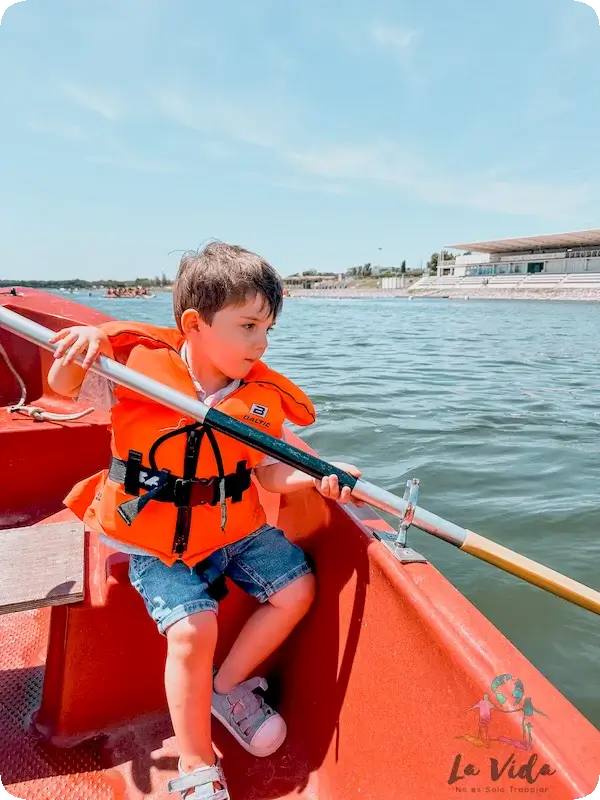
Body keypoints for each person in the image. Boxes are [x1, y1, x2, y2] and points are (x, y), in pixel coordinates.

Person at [47, 242, 362, 799]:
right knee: (195, 629)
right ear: (194, 324)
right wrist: (85, 347)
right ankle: (196, 767)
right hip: (155, 542)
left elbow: (270, 475)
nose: (260, 343)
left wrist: (316, 475)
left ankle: (228, 685)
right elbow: (64, 389)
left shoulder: (258, 398)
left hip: (234, 529)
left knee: (297, 587)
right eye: (247, 326)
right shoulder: (133, 371)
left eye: (267, 329)